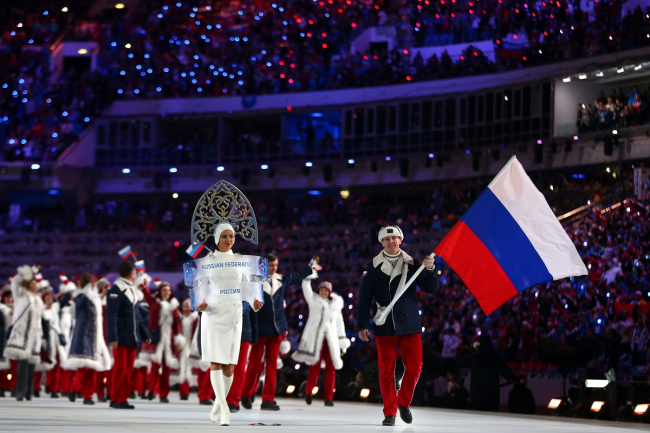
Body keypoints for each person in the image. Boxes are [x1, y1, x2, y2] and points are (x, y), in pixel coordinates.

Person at [357, 225, 438, 426]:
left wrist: (430, 269)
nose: (391, 241)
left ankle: (403, 401)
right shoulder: (372, 266)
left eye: (394, 238)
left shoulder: (413, 264)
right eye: (387, 239)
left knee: (415, 367)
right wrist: (361, 324)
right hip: (385, 323)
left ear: (400, 240)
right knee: (386, 371)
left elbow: (431, 288)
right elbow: (364, 298)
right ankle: (390, 413)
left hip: (410, 323)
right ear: (382, 243)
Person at [195, 223, 263, 426]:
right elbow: (199, 287)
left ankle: (218, 403)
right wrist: (200, 303)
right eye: (224, 236)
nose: (228, 240)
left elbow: (246, 286)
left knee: (230, 367)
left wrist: (254, 301)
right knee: (216, 362)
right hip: (213, 314)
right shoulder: (207, 262)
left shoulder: (240, 261)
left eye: (231, 236)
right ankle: (225, 408)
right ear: (217, 238)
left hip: (234, 315)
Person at [241, 253, 321, 411]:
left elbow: (295, 276)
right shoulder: (254, 283)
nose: (274, 268)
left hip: (277, 329)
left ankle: (268, 400)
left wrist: (309, 268)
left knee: (272, 366)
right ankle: (246, 394)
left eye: (276, 265)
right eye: (271, 265)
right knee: (255, 365)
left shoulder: (280, 280)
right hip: (260, 330)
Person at [292, 279, 350, 406]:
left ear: (329, 292)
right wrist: (307, 278)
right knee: (315, 368)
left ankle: (328, 397)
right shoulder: (314, 301)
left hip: (331, 341)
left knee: (331, 370)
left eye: (326, 290)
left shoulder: (336, 306)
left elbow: (339, 324)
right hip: (316, 340)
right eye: (321, 290)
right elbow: (307, 290)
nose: (323, 292)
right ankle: (308, 392)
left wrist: (342, 340)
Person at [107, 261, 151, 409]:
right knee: (120, 369)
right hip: (120, 337)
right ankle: (115, 398)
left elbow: (137, 315)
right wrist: (113, 337)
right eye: (135, 273)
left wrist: (144, 334)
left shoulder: (131, 289)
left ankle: (123, 399)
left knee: (128, 370)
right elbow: (111, 315)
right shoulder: (116, 289)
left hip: (132, 336)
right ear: (132, 274)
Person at [64, 273, 112, 405]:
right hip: (84, 336)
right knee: (84, 367)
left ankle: (88, 396)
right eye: (94, 281)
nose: (96, 283)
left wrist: (100, 296)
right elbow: (77, 308)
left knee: (93, 368)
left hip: (95, 337)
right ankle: (74, 389)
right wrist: (82, 292)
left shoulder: (94, 298)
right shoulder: (82, 296)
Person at [5, 265, 45, 401]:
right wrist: (25, 274)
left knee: (32, 364)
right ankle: (20, 391)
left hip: (34, 335)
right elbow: (15, 282)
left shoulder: (38, 300)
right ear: (28, 284)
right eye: (33, 283)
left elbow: (39, 319)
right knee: (22, 364)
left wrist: (40, 335)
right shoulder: (20, 295)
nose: (36, 285)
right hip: (21, 334)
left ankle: (29, 391)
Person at [140, 281, 184, 403]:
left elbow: (177, 324)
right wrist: (143, 282)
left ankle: (164, 394)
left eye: (169, 290)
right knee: (154, 367)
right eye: (164, 290)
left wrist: (178, 338)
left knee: (166, 369)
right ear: (160, 291)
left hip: (169, 341)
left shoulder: (174, 306)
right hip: (157, 339)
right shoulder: (154, 302)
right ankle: (151, 391)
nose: (167, 292)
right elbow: (146, 293)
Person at [226, 300, 258, 412]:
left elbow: (253, 313)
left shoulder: (248, 292)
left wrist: (254, 335)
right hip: (225, 332)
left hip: (244, 333)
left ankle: (233, 401)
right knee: (225, 367)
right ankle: (224, 398)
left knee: (239, 368)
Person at [175, 299, 199, 401]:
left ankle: (190, 389)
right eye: (184, 306)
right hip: (181, 347)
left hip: (192, 346)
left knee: (190, 369)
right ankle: (183, 392)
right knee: (182, 368)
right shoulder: (178, 318)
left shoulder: (195, 318)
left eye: (188, 306)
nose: (186, 308)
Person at [0, 285, 13, 397]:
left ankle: (10, 385)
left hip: (12, 338)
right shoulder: (2, 308)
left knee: (11, 365)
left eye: (10, 297)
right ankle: (2, 386)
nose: (9, 299)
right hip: (3, 338)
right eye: (7, 297)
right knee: (2, 364)